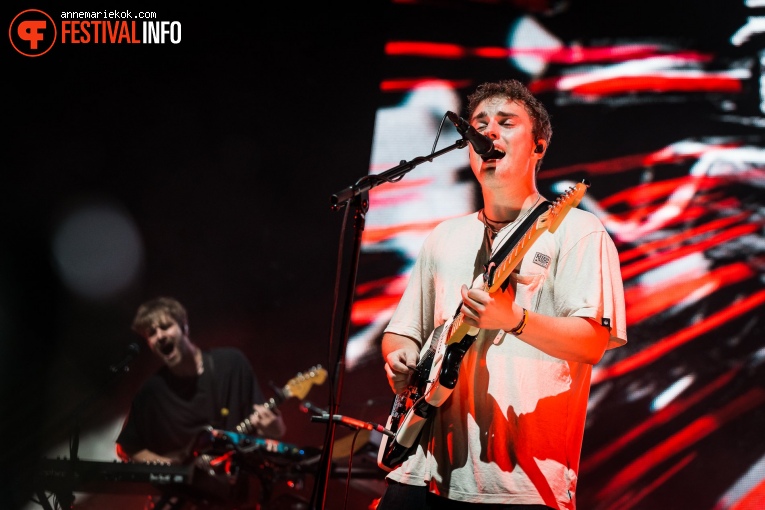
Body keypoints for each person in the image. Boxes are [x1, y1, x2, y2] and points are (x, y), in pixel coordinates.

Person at [376, 79, 628, 510]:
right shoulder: (444, 236)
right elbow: (402, 333)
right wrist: (397, 359)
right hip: (419, 472)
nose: (489, 132)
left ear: (539, 146)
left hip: (517, 486)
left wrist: (515, 320)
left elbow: (592, 343)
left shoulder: (577, 230)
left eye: (506, 122)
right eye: (480, 124)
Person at [116, 296, 286, 508]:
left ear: (184, 327)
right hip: (181, 501)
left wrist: (275, 428)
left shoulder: (231, 364)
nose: (159, 336)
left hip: (232, 498)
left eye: (165, 327)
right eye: (151, 333)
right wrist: (170, 468)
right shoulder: (151, 393)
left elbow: (268, 432)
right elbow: (127, 447)